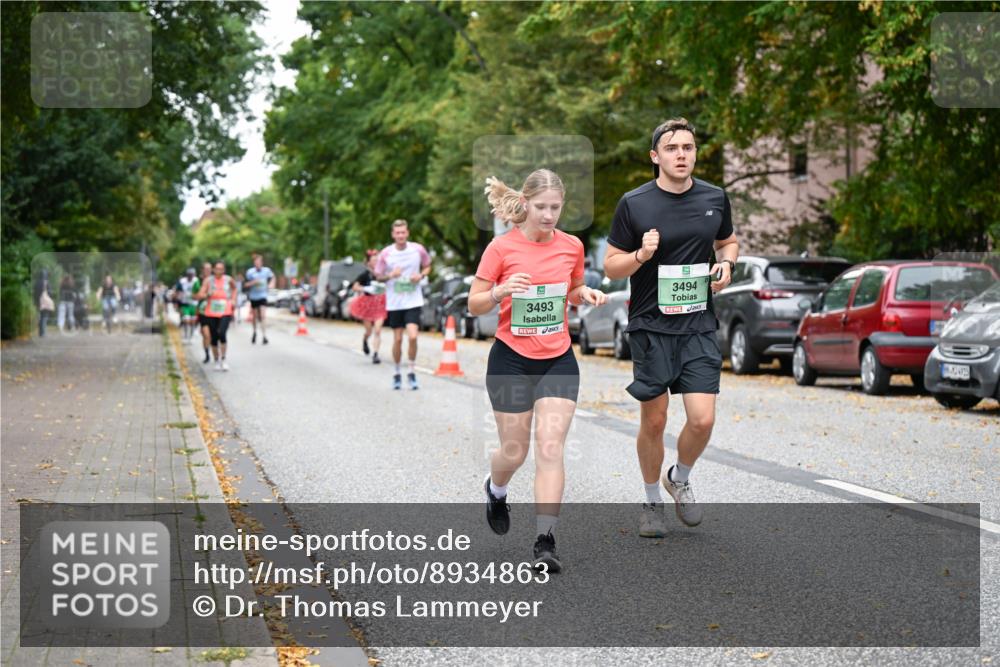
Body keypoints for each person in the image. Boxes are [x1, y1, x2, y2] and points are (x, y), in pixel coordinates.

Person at [602, 118, 739, 538]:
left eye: (689, 147)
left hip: (698, 322)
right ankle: (650, 501)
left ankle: (679, 477)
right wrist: (641, 255)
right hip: (651, 325)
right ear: (655, 156)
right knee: (656, 421)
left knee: (701, 420)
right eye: (673, 147)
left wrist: (727, 264)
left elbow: (727, 240)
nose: (682, 154)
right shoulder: (635, 203)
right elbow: (610, 265)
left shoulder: (714, 197)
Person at [470, 170, 607, 573]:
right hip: (510, 359)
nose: (549, 215)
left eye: (556, 207)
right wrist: (499, 291)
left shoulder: (572, 246)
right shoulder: (500, 248)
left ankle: (545, 540)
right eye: (542, 207)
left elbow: (574, 288)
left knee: (550, 448)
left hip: (557, 359)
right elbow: (473, 304)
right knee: (515, 451)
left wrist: (586, 294)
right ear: (526, 203)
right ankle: (496, 490)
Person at [374, 220, 432, 390]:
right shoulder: (386, 254)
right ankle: (397, 372)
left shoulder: (418, 249)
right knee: (398, 339)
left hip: (413, 300)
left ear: (407, 233)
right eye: (397, 233)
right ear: (393, 234)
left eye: (403, 232)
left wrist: (420, 275)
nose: (400, 235)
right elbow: (378, 276)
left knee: (413, 336)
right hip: (395, 302)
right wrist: (391, 275)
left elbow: (428, 266)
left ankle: (412, 370)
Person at [196, 261, 237, 371]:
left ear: (224, 270)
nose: (219, 271)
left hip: (225, 310)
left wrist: (233, 300)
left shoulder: (228, 279)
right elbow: (200, 294)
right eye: (217, 269)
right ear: (213, 270)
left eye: (221, 269)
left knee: (222, 333)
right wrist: (207, 294)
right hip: (211, 312)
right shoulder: (208, 281)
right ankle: (216, 360)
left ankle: (223, 359)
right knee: (214, 337)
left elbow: (234, 288)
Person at [350, 249, 388, 364]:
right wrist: (365, 288)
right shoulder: (364, 275)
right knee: (369, 331)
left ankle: (375, 354)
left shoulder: (382, 274)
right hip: (367, 304)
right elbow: (354, 286)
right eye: (374, 260)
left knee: (378, 330)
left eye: (378, 260)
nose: (376, 262)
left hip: (380, 303)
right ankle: (365, 340)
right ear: (368, 262)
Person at [244, 254, 275, 345]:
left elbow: (273, 277)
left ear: (261, 262)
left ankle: (264, 336)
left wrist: (271, 284)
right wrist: (253, 282)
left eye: (259, 262)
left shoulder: (266, 271)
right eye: (256, 262)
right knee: (254, 316)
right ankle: (254, 332)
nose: (257, 263)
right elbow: (245, 285)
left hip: (263, 296)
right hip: (254, 297)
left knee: (263, 315)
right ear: (254, 263)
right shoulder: (250, 272)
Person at [176, 268, 198, 341]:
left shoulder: (196, 281)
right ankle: (186, 335)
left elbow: (199, 290)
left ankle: (191, 336)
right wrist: (178, 299)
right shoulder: (182, 281)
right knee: (186, 320)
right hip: (185, 304)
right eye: (189, 275)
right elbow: (177, 291)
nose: (190, 276)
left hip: (194, 304)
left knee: (192, 321)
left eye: (192, 275)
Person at [35, 273, 54, 337]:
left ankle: (40, 332)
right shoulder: (46, 283)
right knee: (44, 317)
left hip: (38, 301)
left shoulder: (37, 283)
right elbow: (50, 293)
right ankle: (43, 333)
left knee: (41, 317)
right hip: (45, 302)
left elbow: (35, 293)